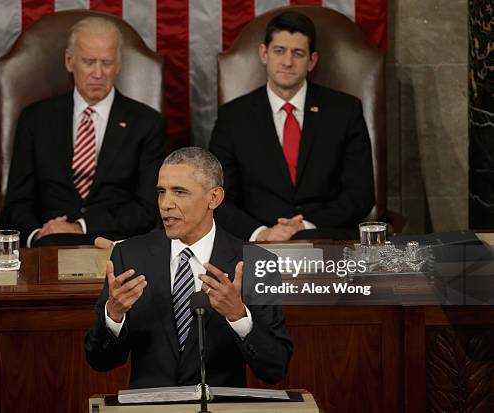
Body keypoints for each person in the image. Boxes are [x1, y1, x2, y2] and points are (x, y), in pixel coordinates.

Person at [84, 147, 292, 389]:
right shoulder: (129, 256)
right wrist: (114, 317)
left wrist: (238, 316)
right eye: (161, 192)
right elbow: (99, 361)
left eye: (179, 192)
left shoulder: (255, 263)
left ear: (214, 198)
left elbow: (275, 368)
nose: (166, 204)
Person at [0, 16, 165, 247]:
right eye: (89, 62)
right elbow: (17, 203)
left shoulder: (147, 123)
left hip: (116, 248)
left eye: (106, 63)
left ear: (118, 65)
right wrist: (38, 235)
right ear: (69, 61)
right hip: (48, 246)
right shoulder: (35, 119)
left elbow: (147, 209)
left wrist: (80, 228)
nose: (98, 73)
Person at [209, 11, 375, 242]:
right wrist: (262, 233)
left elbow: (361, 194)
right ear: (264, 53)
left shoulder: (345, 111)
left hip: (327, 239)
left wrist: (305, 227)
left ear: (312, 60)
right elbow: (217, 198)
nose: (288, 62)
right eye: (279, 51)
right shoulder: (233, 117)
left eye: (298, 53)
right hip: (255, 245)